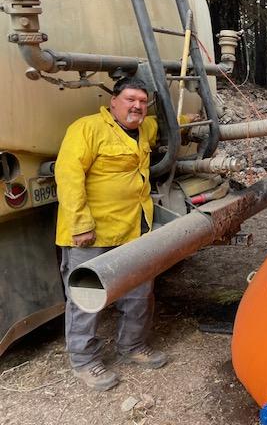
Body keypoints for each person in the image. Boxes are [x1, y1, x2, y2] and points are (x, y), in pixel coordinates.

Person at [55, 77, 188, 391]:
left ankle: (132, 346)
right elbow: (68, 175)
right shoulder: (86, 129)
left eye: (142, 102)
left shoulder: (143, 129)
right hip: (92, 232)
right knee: (86, 299)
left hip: (134, 228)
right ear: (113, 101)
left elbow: (166, 124)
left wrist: (187, 120)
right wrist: (80, 224)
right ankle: (84, 361)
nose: (137, 106)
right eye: (130, 99)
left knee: (140, 291)